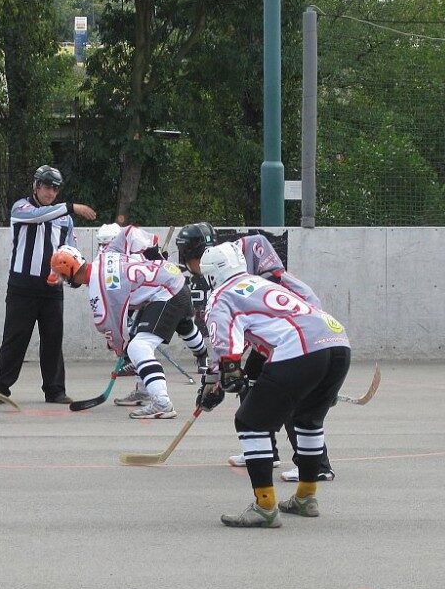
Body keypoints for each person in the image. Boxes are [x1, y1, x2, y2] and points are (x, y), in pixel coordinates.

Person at [196, 242, 351, 528]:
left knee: (250, 422)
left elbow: (223, 337)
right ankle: (305, 497)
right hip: (336, 339)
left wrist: (222, 374)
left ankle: (265, 506)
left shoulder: (221, 294)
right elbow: (309, 297)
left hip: (301, 347)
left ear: (211, 274)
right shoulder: (262, 282)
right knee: (307, 420)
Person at [176, 222, 336, 482]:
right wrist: (215, 378)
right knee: (249, 379)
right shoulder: (227, 260)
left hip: (299, 330)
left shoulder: (243, 254)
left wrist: (218, 375)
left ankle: (317, 464)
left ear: (193, 253)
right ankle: (265, 449)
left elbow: (242, 324)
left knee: (286, 394)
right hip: (288, 331)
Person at [49, 232, 207, 419]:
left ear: (70, 272)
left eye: (62, 276)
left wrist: (119, 348)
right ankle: (144, 389)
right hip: (169, 281)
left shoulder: (99, 290)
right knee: (140, 341)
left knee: (138, 346)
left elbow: (106, 324)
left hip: (168, 292)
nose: (63, 280)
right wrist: (151, 247)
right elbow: (128, 233)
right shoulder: (105, 255)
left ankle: (162, 402)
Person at [0, 165, 96, 405]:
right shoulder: (21, 208)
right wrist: (71, 206)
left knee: (53, 338)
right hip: (22, 285)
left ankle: (55, 390)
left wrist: (73, 276)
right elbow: (38, 216)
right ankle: (0, 388)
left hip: (52, 287)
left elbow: (69, 249)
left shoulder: (64, 218)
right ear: (35, 186)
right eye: (46, 187)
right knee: (15, 337)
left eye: (55, 189)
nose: (50, 192)